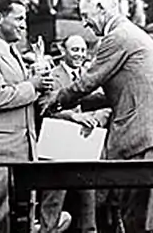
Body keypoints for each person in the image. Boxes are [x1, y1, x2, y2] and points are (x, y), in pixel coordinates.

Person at [40, 0, 153, 233]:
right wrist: (79, 104)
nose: (84, 23)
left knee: (143, 220)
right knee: (147, 219)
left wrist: (53, 102)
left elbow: (87, 82)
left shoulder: (117, 37)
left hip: (147, 137)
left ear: (101, 9)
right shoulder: (132, 33)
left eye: (86, 15)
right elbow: (121, 91)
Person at [0, 0, 56, 233]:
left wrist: (41, 85)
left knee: (21, 220)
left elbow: (22, 94)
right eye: (19, 18)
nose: (24, 25)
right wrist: (33, 85)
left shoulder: (12, 52)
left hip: (19, 152)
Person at [40, 34, 111, 233]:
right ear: (63, 52)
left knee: (88, 197)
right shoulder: (52, 75)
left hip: (86, 142)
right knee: (54, 195)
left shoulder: (91, 75)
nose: (80, 54)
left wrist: (96, 118)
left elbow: (107, 105)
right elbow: (45, 107)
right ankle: (48, 229)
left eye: (82, 50)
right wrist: (73, 116)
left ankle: (89, 230)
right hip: (59, 144)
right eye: (75, 50)